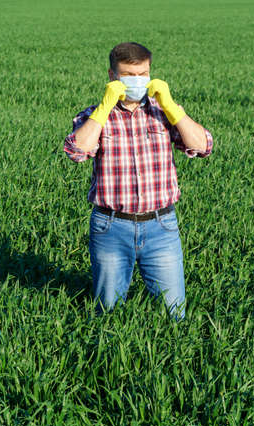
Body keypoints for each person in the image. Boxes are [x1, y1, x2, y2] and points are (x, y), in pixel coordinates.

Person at [64, 42, 213, 321]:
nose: (137, 81)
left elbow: (203, 146)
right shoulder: (94, 115)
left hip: (161, 226)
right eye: (128, 76)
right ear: (112, 76)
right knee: (107, 312)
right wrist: (105, 107)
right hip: (110, 226)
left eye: (142, 74)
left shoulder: (164, 112)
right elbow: (76, 151)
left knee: (174, 314)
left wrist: (170, 105)